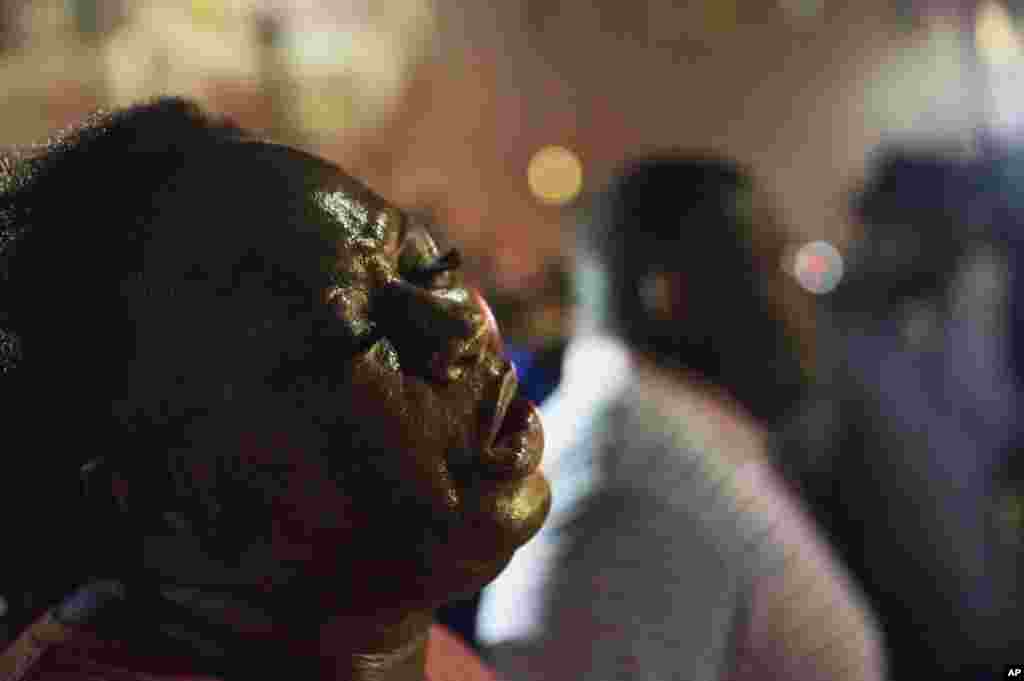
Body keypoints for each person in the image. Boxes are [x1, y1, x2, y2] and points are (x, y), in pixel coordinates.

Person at [0, 97, 550, 681]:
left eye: (429, 268)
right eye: (358, 334)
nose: (461, 327)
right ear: (160, 494)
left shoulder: (425, 658)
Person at [477, 154, 886, 680]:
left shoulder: (664, 441)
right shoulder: (631, 484)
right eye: (771, 265)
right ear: (670, 295)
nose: (801, 301)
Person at [781, 147, 1022, 678]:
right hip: (903, 638)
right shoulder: (828, 344)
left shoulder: (957, 313)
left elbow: (997, 434)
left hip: (987, 623)